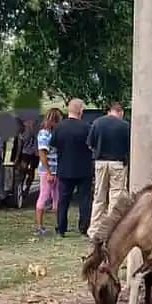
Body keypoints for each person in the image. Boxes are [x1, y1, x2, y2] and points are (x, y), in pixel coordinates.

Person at [50, 98, 93, 237]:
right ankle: (84, 227)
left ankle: (61, 228)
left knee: (63, 200)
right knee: (84, 199)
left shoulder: (59, 127)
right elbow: (92, 146)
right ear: (81, 111)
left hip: (65, 169)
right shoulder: (87, 128)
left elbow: (53, 145)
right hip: (84, 169)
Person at [86, 101, 130, 237]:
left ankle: (94, 229)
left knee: (99, 196)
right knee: (115, 195)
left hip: (100, 162)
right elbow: (129, 146)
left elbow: (90, 144)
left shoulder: (97, 123)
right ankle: (111, 228)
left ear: (109, 111)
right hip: (117, 163)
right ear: (120, 112)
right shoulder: (125, 125)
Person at [35, 108, 63, 237]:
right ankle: (39, 226)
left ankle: (59, 225)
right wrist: (48, 172)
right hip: (48, 170)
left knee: (57, 197)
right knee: (44, 196)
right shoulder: (44, 134)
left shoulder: (54, 133)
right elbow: (42, 154)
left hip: (57, 169)